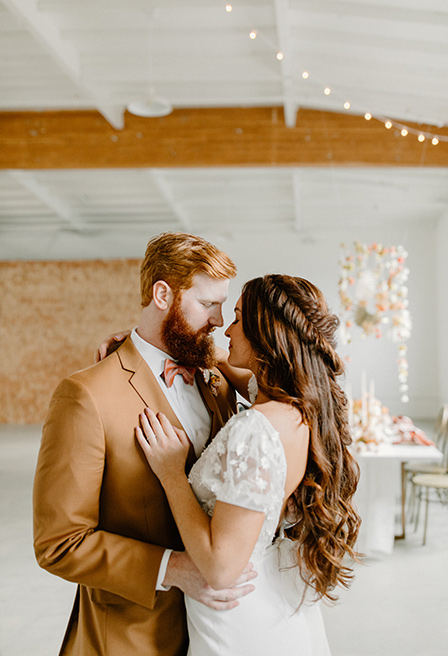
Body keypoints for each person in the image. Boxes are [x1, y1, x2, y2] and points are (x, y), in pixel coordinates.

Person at [33, 232, 258, 656]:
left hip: (218, 632)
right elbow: (58, 543)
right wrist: (172, 568)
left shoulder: (217, 380)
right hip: (128, 637)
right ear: (162, 295)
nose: (218, 320)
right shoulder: (85, 396)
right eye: (208, 304)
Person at [135, 274, 361, 656]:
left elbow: (221, 570)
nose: (225, 327)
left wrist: (172, 474)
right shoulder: (300, 405)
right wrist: (139, 347)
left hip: (236, 617)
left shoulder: (257, 430)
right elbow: (231, 365)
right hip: (273, 596)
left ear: (264, 334)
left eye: (237, 317)